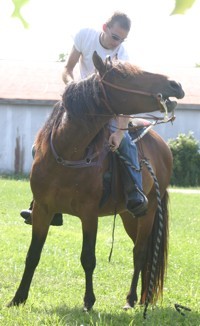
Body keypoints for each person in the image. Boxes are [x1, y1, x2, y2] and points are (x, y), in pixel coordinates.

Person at [20, 11, 148, 225]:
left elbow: (124, 100)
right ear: (105, 28)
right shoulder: (85, 36)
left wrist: (120, 131)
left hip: (106, 109)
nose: (118, 43)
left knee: (127, 145)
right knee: (40, 146)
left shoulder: (122, 55)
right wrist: (72, 87)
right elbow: (67, 69)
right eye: (115, 37)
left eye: (122, 40)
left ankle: (135, 193)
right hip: (79, 104)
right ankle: (42, 204)